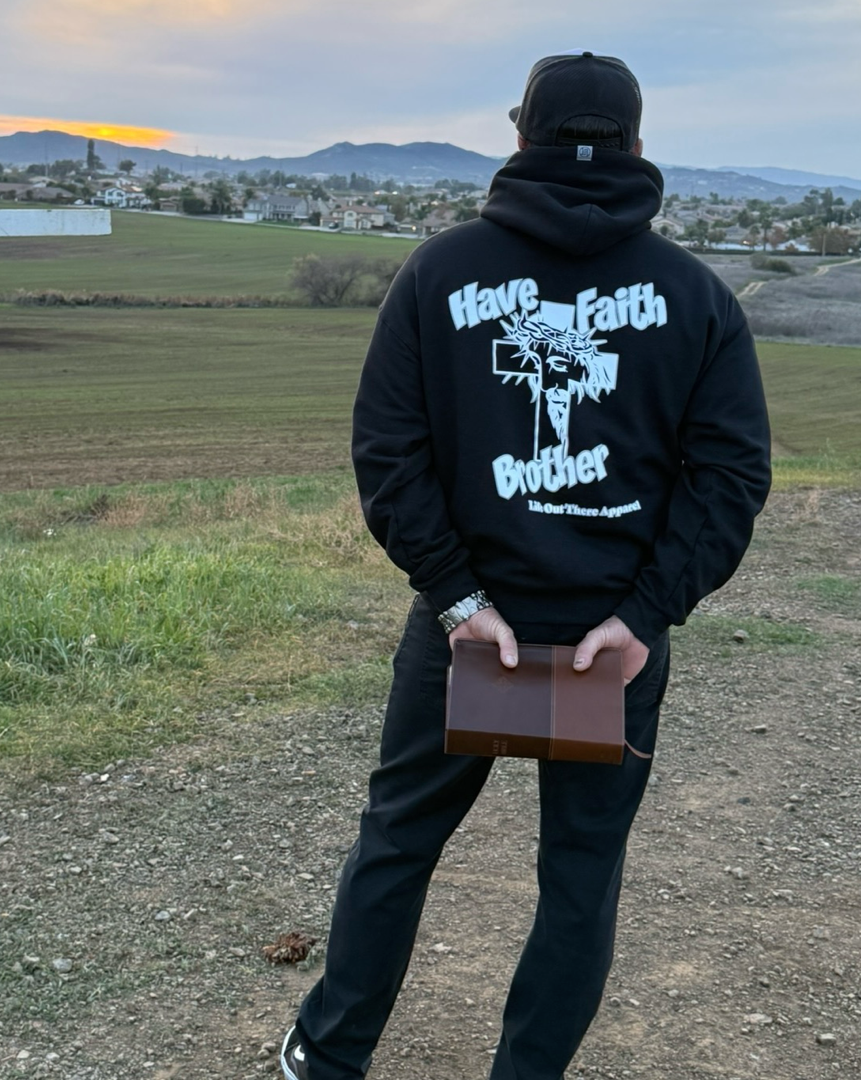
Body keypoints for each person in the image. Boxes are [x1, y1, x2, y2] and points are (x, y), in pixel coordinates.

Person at [280, 51, 771, 1080]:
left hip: (468, 633)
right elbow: (731, 476)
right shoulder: (697, 296)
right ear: (638, 145)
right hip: (610, 649)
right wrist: (643, 615)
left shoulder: (437, 272)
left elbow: (389, 451)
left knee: (398, 842)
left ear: (519, 138)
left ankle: (325, 1058)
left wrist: (458, 597)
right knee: (580, 877)